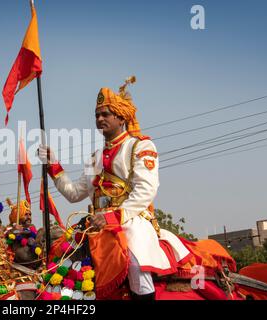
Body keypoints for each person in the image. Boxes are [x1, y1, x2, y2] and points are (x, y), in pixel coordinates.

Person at [38, 77, 192, 300]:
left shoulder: (140, 146)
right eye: (97, 116)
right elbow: (74, 194)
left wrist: (113, 216)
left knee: (137, 265)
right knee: (62, 264)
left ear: (121, 117)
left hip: (131, 220)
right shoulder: (95, 159)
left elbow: (146, 191)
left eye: (105, 114)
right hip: (96, 224)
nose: (99, 119)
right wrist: (54, 166)